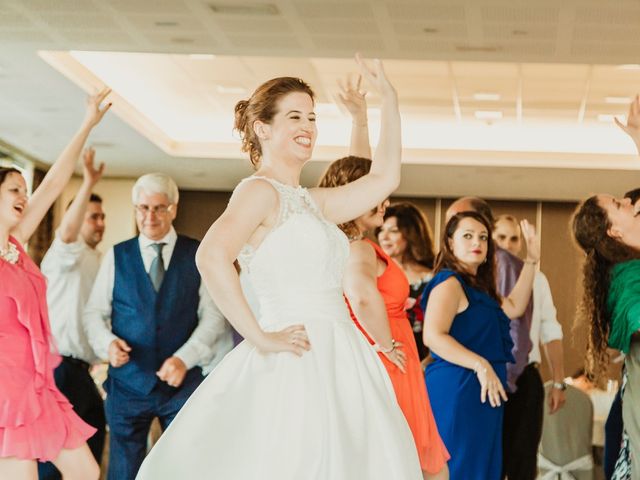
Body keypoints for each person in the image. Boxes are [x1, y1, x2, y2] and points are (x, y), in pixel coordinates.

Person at [136, 55, 423, 479]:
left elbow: (384, 179)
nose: (308, 126)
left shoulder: (312, 201)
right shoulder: (258, 192)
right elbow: (211, 256)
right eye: (295, 116)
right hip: (295, 353)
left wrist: (390, 100)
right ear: (262, 128)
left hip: (342, 351)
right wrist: (259, 335)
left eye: (311, 116)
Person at [83, 172, 233, 480]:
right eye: (143, 208)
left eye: (158, 208)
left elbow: (214, 317)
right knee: (124, 471)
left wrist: (184, 358)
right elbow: (94, 313)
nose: (149, 216)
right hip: (127, 385)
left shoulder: (197, 254)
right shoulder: (116, 256)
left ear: (173, 209)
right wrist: (107, 344)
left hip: (182, 386)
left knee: (182, 468)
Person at [0, 88, 111, 480]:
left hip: (38, 388)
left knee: (86, 471)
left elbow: (52, 188)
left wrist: (87, 124)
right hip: (5, 396)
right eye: (14, 189)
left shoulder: (15, 246)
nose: (24, 196)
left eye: (23, 190)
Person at [319, 155, 450, 479]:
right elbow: (361, 294)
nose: (385, 204)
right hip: (389, 359)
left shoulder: (347, 244)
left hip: (383, 355)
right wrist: (386, 343)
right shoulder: (358, 247)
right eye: (377, 196)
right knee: (418, 463)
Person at [422, 211, 539, 479]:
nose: (477, 242)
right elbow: (433, 336)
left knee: (481, 468)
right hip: (459, 390)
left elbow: (515, 306)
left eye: (483, 237)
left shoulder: (479, 288)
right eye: (468, 235)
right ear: (450, 243)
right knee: (460, 468)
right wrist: (480, 364)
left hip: (484, 393)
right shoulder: (449, 283)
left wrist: (532, 259)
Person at [38, 148, 107, 480]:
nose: (99, 222)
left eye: (101, 216)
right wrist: (88, 182)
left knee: (92, 456)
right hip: (59, 370)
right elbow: (66, 234)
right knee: (54, 464)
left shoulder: (102, 260)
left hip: (83, 373)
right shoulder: (62, 257)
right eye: (92, 216)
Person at [493, 214, 567, 419]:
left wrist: (558, 382)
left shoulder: (538, 280)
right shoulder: (482, 279)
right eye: (501, 237)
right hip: (488, 374)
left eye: (514, 239)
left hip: (526, 375)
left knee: (523, 451)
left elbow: (550, 330)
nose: (507, 244)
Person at [378, 202, 436, 360]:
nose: (384, 237)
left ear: (411, 235)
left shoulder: (433, 278)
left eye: (393, 231)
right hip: (384, 353)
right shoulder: (373, 275)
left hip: (423, 357)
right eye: (381, 230)